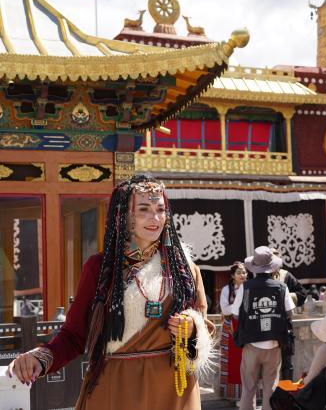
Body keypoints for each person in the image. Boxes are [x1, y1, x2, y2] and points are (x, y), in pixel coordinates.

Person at [6, 174, 213, 410]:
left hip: (174, 389)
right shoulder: (100, 269)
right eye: (143, 209)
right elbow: (74, 335)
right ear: (124, 215)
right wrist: (40, 357)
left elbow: (204, 326)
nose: (155, 218)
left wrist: (192, 328)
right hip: (117, 385)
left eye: (160, 209)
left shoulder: (184, 269)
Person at [232, 246, 295, 410]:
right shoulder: (281, 287)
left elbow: (235, 314)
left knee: (248, 387)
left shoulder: (245, 287)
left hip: (251, 344)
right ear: (272, 266)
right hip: (273, 344)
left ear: (253, 267)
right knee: (270, 387)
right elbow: (290, 313)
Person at [272, 257, 308, 381]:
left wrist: (286, 297)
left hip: (284, 324)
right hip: (267, 326)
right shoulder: (259, 276)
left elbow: (302, 293)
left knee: (287, 362)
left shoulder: (286, 276)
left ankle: (286, 390)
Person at [219, 261, 247, 401]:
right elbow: (225, 310)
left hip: (247, 326)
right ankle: (233, 395)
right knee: (233, 360)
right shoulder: (226, 290)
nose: (242, 275)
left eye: (244, 272)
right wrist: (239, 302)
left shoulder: (250, 288)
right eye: (239, 272)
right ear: (232, 276)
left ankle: (249, 395)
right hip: (231, 327)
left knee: (248, 359)